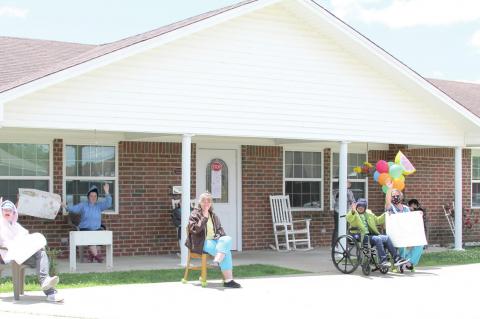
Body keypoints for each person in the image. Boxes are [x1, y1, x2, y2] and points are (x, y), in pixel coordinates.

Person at [0, 199, 63, 302]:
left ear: (13, 213)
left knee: (41, 252)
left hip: (23, 255)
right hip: (11, 257)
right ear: (1, 212)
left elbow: (26, 238)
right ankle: (50, 292)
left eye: (9, 210)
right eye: (4, 210)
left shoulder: (17, 226)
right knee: (41, 261)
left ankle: (46, 283)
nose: (7, 212)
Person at [185, 192, 241, 288]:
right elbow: (195, 229)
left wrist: (218, 235)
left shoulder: (214, 216)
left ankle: (217, 261)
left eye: (208, 201)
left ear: (211, 203)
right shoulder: (194, 215)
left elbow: (220, 230)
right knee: (226, 252)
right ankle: (228, 280)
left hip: (214, 241)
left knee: (227, 239)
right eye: (204, 201)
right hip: (201, 242)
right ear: (200, 203)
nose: (206, 203)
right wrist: (204, 218)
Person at [346, 198, 408, 268]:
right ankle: (383, 261)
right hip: (360, 236)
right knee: (378, 239)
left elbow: (378, 220)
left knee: (386, 238)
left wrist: (386, 214)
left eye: (362, 207)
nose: (360, 208)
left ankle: (396, 258)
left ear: (365, 207)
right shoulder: (354, 214)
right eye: (359, 206)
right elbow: (348, 218)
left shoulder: (369, 214)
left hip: (371, 236)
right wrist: (353, 211)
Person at [63, 183, 112, 263]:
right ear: (88, 197)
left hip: (96, 229)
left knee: (101, 236)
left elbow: (108, 204)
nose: (93, 197)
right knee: (91, 237)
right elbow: (74, 209)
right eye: (91, 196)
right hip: (85, 229)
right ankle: (97, 256)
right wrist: (65, 206)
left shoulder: (99, 206)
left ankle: (92, 255)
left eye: (95, 196)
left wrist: (107, 192)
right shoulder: (83, 205)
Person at [385, 184, 424, 272]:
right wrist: (389, 189)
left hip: (406, 233)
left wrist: (419, 214)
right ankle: (401, 263)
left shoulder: (406, 208)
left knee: (420, 243)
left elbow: (412, 220)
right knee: (402, 244)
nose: (395, 197)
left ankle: (409, 262)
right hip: (395, 234)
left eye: (397, 195)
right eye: (393, 196)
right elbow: (387, 201)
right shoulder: (390, 207)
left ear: (401, 197)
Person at [332, 181, 356, 246]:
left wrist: (353, 211)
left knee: (346, 228)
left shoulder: (349, 192)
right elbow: (334, 200)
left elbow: (353, 202)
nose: (350, 183)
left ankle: (345, 244)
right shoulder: (337, 191)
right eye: (348, 182)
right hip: (338, 211)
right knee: (337, 228)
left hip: (347, 212)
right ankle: (334, 245)